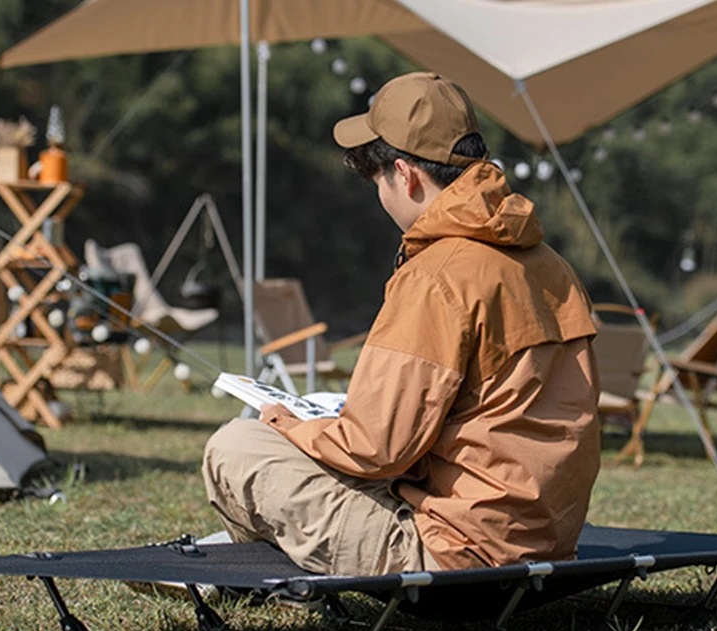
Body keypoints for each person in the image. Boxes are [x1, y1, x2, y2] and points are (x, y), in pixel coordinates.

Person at [202, 71, 600, 575]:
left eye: (377, 181)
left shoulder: (437, 276)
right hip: (546, 540)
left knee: (235, 446)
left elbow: (375, 448)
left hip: (456, 554)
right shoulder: (551, 265)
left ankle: (251, 567)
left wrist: (288, 420)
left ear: (405, 175)